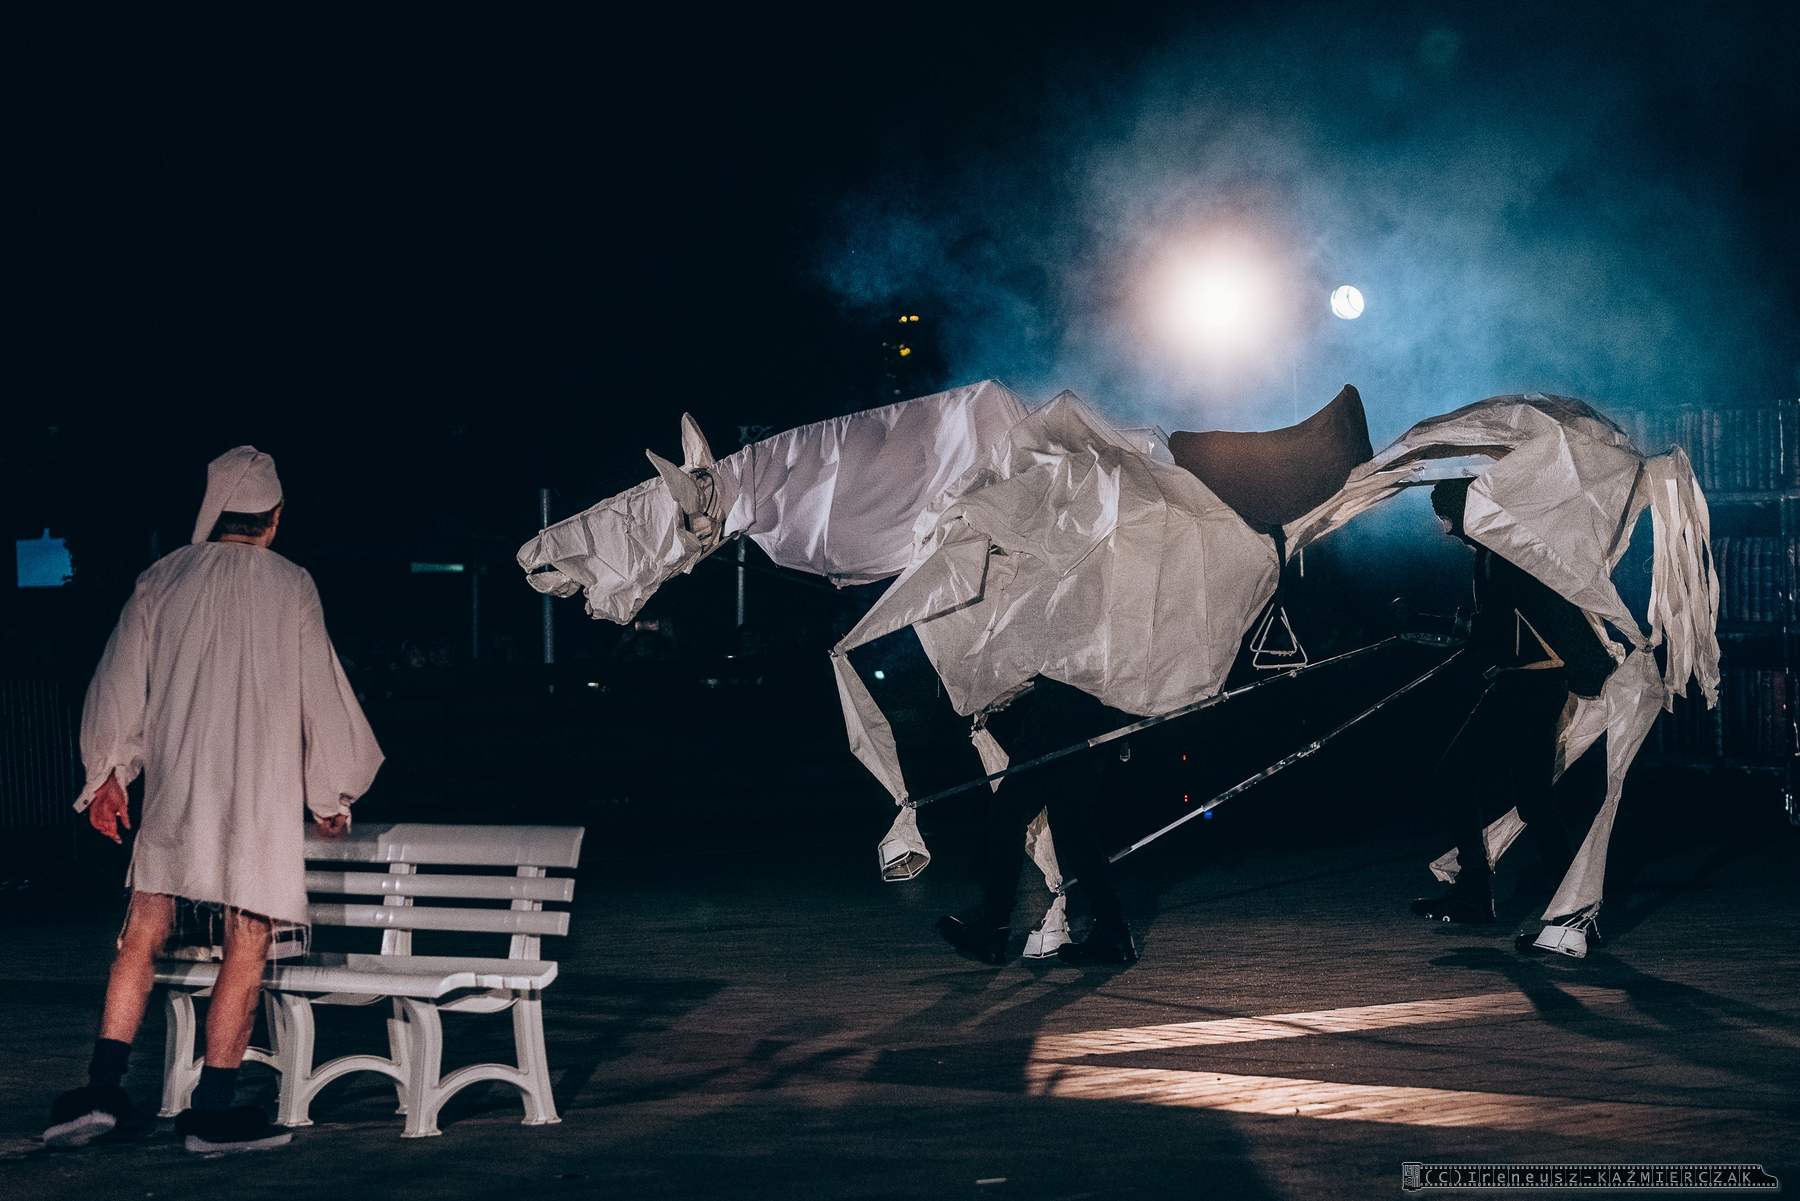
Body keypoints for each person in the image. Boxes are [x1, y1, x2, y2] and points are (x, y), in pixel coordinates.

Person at [42, 446, 383, 1154]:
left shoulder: (163, 577)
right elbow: (321, 690)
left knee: (142, 932)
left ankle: (103, 1090)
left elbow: (118, 681)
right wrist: (330, 791)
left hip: (179, 785)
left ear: (213, 510)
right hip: (257, 790)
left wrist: (109, 774)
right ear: (275, 517)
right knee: (247, 941)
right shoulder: (291, 583)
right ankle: (212, 1110)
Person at [1410, 477, 1615, 925]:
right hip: (1534, 683)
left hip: (1529, 686)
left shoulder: (1500, 554)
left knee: (1454, 776)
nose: (1447, 530)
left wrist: (1421, 621)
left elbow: (1490, 630)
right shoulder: (1503, 549)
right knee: (1534, 799)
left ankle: (1485, 896)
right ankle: (1568, 907)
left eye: (1447, 517)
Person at [937, 677, 1138, 966]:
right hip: (1099, 706)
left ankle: (992, 928)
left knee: (1008, 811)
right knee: (1072, 822)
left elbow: (1048, 657)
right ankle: (1113, 931)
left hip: (1062, 707)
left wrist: (1003, 686)